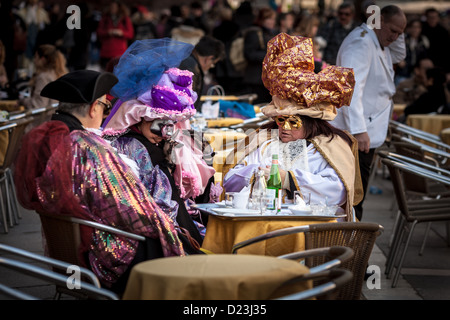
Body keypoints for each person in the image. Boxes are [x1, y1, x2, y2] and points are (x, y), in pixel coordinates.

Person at [13, 69, 186, 294]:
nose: (105, 115)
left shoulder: (51, 138)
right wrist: (168, 227)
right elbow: (133, 212)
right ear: (94, 106)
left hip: (71, 254)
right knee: (177, 248)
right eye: (105, 107)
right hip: (106, 258)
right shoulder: (89, 148)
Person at [222, 34, 362, 222]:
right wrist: (255, 173)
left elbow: (338, 191)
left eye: (294, 122)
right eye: (281, 120)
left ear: (311, 121)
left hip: (312, 230)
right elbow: (230, 179)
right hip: (261, 223)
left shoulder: (329, 146)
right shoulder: (265, 141)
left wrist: (288, 179)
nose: (284, 128)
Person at [103, 39, 219, 248]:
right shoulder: (136, 146)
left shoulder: (155, 143)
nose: (164, 133)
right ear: (141, 117)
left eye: (170, 125)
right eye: (159, 124)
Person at [330, 5, 407, 221]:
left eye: (399, 34)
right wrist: (359, 130)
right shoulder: (361, 42)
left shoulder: (378, 40)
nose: (395, 37)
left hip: (368, 129)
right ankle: (351, 245)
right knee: (354, 197)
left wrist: (395, 27)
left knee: (358, 193)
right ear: (379, 21)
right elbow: (351, 89)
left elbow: (400, 54)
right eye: (393, 31)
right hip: (357, 133)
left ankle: (353, 242)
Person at [179, 35, 225, 111]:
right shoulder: (192, 68)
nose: (212, 66)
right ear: (209, 58)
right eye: (213, 63)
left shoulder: (186, 58)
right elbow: (186, 99)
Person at [242, 7, 278, 104]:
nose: (272, 22)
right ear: (262, 20)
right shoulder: (254, 33)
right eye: (269, 18)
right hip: (256, 78)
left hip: (267, 78)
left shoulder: (272, 33)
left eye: (273, 19)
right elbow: (249, 54)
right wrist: (269, 56)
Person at [19, 44, 68, 110]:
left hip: (45, 118)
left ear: (42, 59)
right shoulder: (59, 74)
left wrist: (23, 101)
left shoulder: (43, 77)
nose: (34, 60)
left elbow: (38, 105)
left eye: (36, 57)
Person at [96, 1, 134, 70]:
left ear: (119, 8)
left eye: (114, 7)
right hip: (106, 52)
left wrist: (122, 33)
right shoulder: (105, 18)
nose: (112, 9)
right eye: (111, 7)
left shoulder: (125, 19)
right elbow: (99, 32)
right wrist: (108, 32)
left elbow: (130, 34)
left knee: (119, 74)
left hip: (120, 52)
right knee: (105, 75)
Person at [394, 18, 430, 85]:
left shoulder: (423, 41)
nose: (415, 30)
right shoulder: (402, 40)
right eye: (413, 27)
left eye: (418, 27)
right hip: (403, 73)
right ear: (409, 28)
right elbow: (394, 51)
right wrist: (398, 59)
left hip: (417, 74)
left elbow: (424, 58)